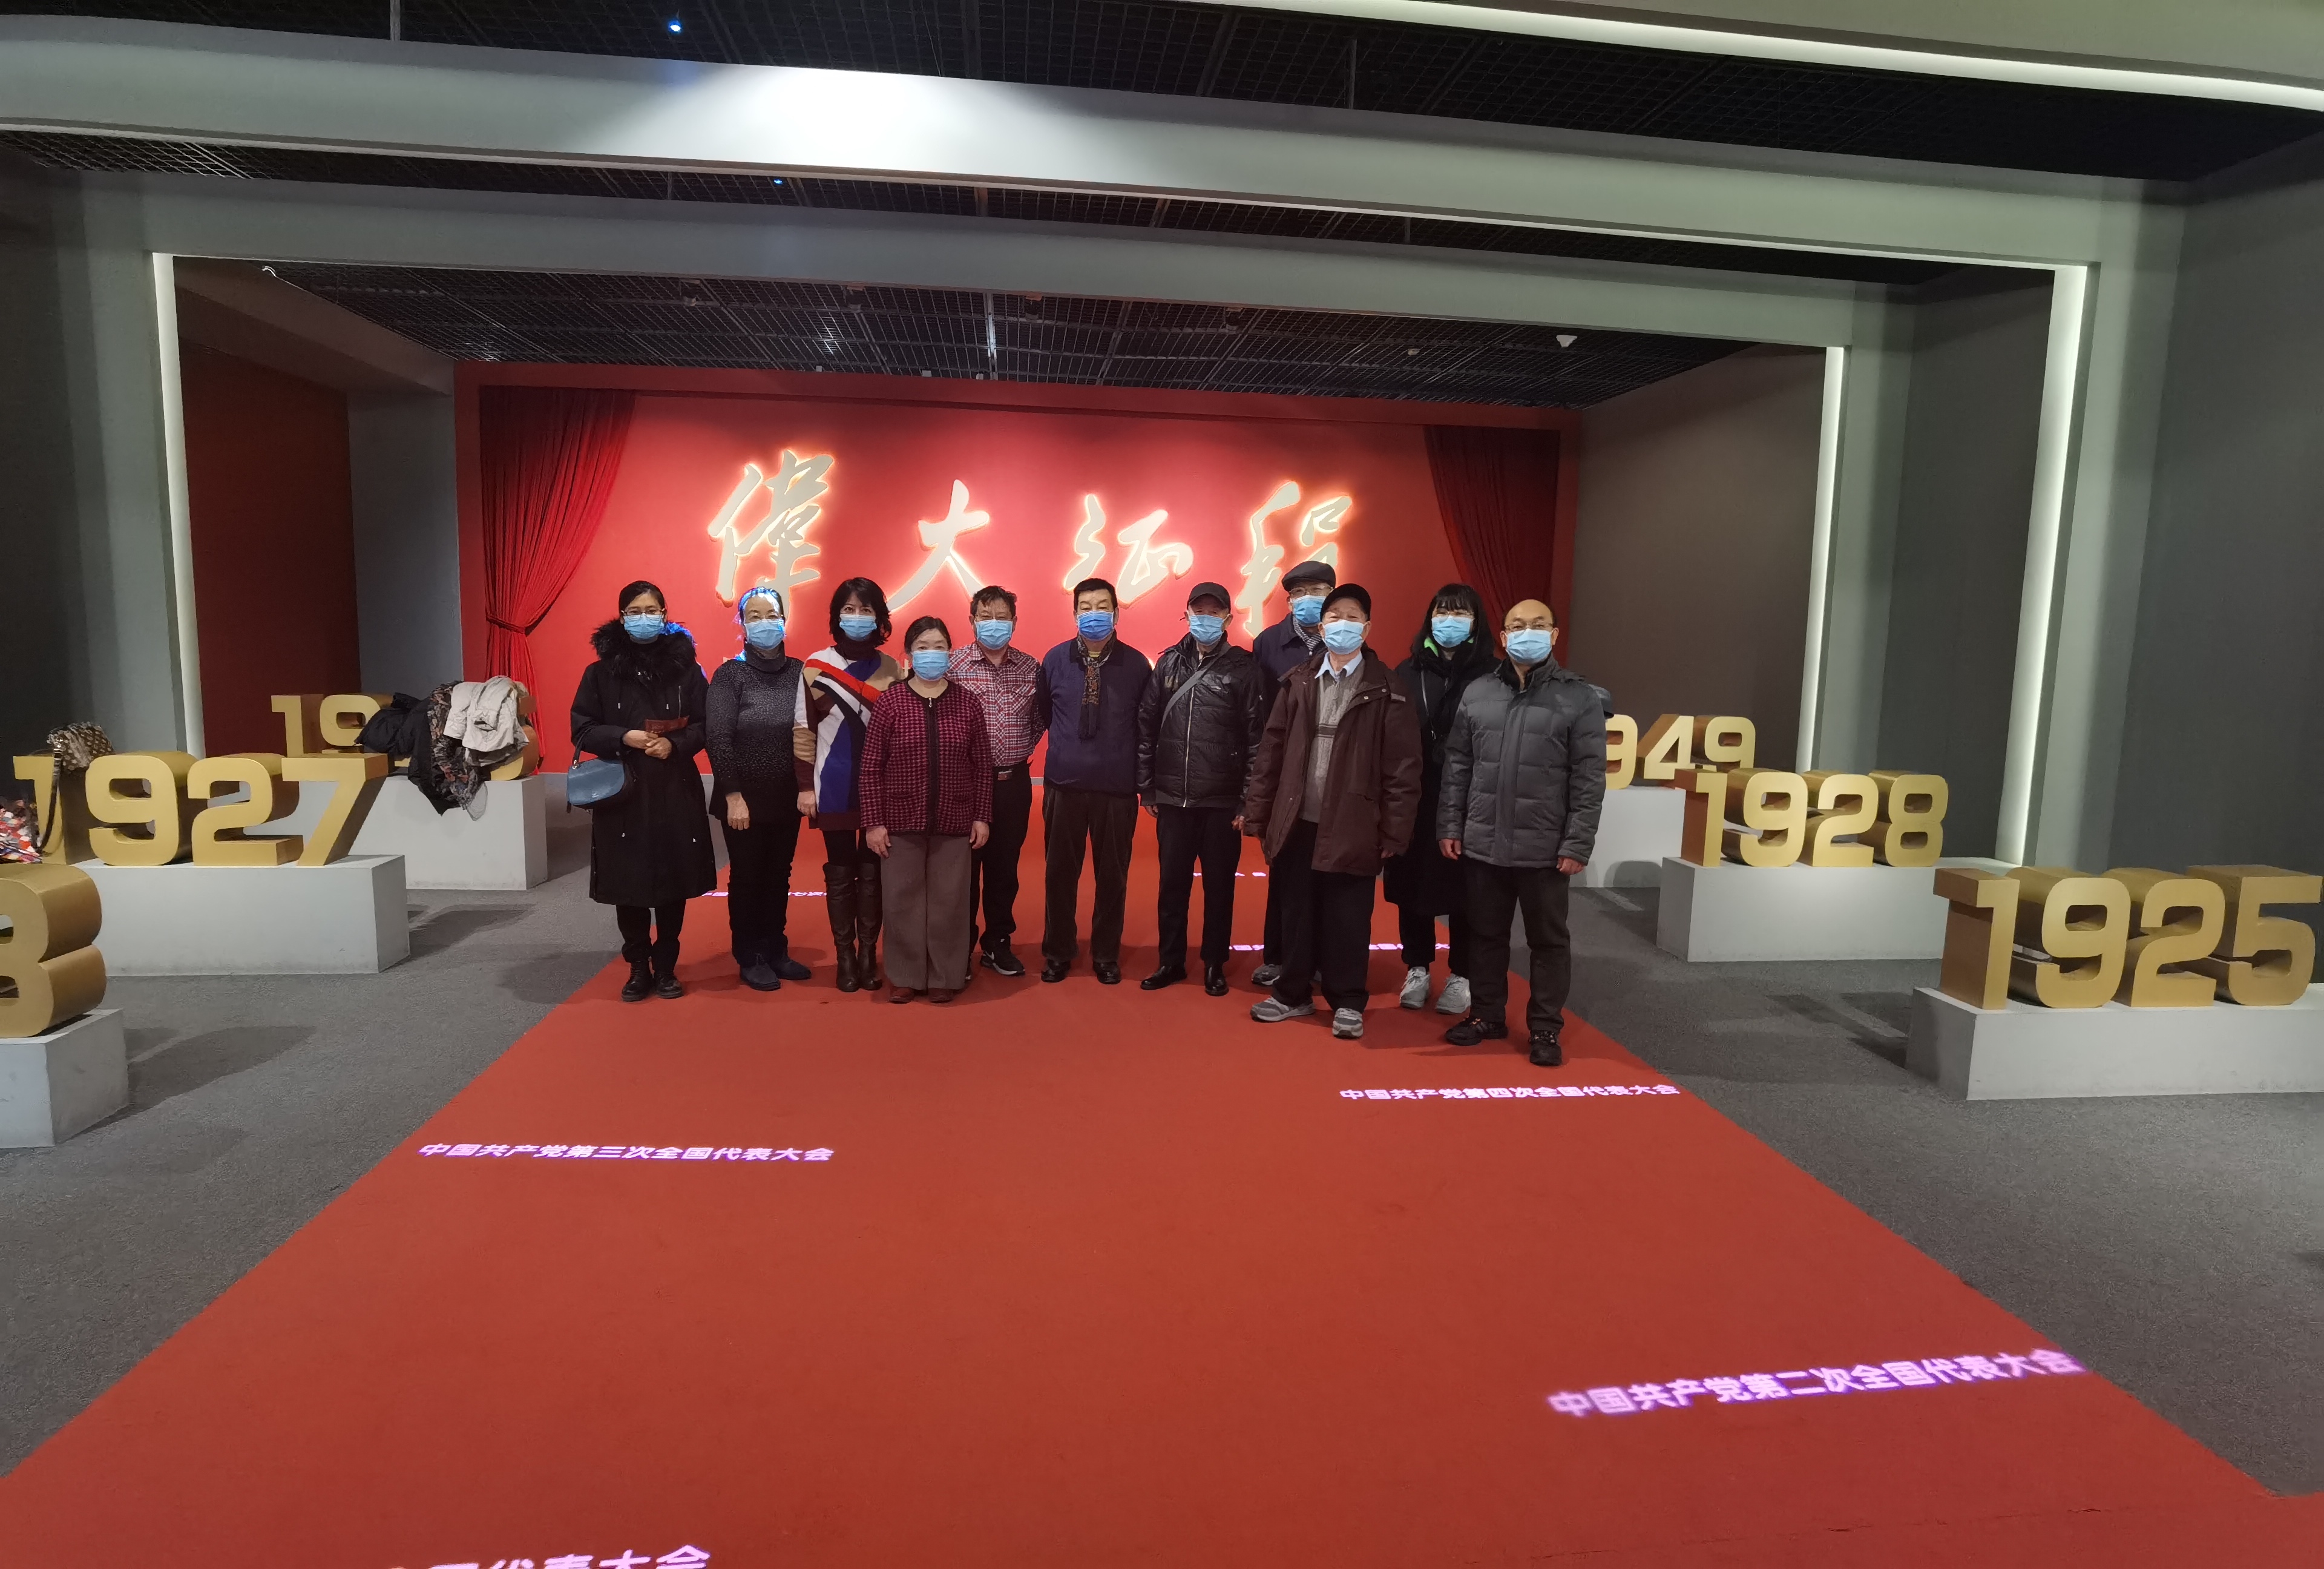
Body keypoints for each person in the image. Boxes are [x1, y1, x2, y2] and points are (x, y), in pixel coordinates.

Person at [1240, 583, 1421, 1040]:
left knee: (1348, 917)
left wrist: (1395, 832)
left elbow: (1403, 769)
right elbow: (1271, 751)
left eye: (1353, 617)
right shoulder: (1299, 681)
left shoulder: (1388, 689)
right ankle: (1292, 994)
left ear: (1367, 628)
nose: (1343, 625)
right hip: (1298, 818)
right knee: (1296, 912)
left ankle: (1348, 1000)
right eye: (1335, 617)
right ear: (1321, 628)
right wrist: (1259, 813)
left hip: (1355, 822)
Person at [1437, 599, 1606, 1067]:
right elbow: (1458, 764)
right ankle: (1487, 1015)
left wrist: (1577, 842)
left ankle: (1545, 1028)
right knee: (1485, 935)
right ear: (1503, 636)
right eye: (1516, 625)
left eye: (1537, 625)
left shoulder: (1579, 698)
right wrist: (1450, 824)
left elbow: (1589, 777)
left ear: (1554, 634)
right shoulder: (1478, 692)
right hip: (1483, 841)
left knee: (1547, 941)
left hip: (1545, 847)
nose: (1525, 632)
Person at [571, 579, 717, 1002]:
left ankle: (666, 966)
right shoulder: (599, 673)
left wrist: (676, 744)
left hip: (675, 785)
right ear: (622, 617)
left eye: (652, 610)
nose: (644, 618)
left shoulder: (687, 670)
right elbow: (582, 729)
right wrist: (624, 737)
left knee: (673, 880)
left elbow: (706, 724)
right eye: (635, 611)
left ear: (665, 615)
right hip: (623, 790)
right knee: (628, 881)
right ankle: (637, 966)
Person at [1135, 581, 1269, 995]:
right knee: (1172, 886)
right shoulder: (1168, 664)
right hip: (1174, 798)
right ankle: (1171, 961)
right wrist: (1148, 787)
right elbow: (1146, 726)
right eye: (1199, 611)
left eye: (1214, 612)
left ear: (1228, 618)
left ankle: (1214, 963)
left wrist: (1247, 800)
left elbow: (1257, 740)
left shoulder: (1244, 669)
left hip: (1222, 801)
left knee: (1219, 886)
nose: (1205, 619)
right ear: (1187, 614)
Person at [859, 617, 994, 1004]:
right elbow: (871, 767)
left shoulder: (967, 703)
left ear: (949, 652)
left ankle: (944, 975)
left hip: (955, 818)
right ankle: (905, 975)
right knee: (902, 900)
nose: (931, 654)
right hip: (900, 819)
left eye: (939, 647)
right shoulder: (891, 702)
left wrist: (982, 815)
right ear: (909, 654)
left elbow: (982, 766)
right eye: (923, 647)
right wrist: (873, 823)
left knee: (951, 902)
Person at [1033, 577, 1152, 985]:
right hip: (1063, 784)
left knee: (1113, 877)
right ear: (1075, 614)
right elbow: (1046, 712)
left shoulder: (1136, 665)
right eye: (1086, 607)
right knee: (1059, 875)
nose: (1094, 614)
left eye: (1103, 606)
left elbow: (1145, 725)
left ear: (1116, 613)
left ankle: (1105, 954)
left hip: (1117, 789)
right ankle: (1058, 952)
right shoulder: (1055, 659)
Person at [1385, 584, 1496, 1018]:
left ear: (1476, 621)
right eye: (1442, 612)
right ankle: (1417, 967)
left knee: (1467, 889)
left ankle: (1462, 974)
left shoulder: (1492, 674)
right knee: (1411, 885)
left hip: (1471, 796)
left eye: (1460, 613)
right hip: (1417, 795)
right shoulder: (1408, 670)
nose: (1450, 620)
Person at [795, 578, 904, 993]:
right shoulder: (815, 666)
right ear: (837, 616)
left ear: (879, 618)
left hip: (881, 788)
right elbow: (803, 729)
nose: (857, 617)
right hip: (833, 783)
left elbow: (900, 734)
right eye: (849, 609)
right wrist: (806, 787)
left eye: (866, 610)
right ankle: (845, 957)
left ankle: (868, 955)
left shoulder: (893, 669)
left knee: (873, 870)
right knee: (840, 871)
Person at [706, 587, 812, 992]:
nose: (764, 623)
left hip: (786, 795)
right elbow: (718, 738)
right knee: (748, 876)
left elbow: (808, 730)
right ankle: (749, 954)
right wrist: (733, 795)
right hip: (742, 800)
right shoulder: (730, 675)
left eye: (772, 615)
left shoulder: (800, 671)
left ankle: (775, 949)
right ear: (742, 624)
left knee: (779, 875)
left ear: (784, 620)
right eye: (755, 616)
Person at [1247, 556, 1337, 988]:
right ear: (1288, 601)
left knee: (1327, 868)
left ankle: (1320, 958)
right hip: (1284, 768)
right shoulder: (1267, 643)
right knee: (1285, 864)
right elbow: (1258, 713)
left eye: (1317, 592)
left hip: (1331, 770)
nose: (1307, 600)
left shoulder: (1344, 640)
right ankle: (1279, 955)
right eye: (1299, 593)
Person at [947, 584, 1043, 978]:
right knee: (964, 869)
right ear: (972, 621)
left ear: (1015, 622)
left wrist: (1014, 753)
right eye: (985, 617)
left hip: (1013, 785)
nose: (994, 624)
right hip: (967, 784)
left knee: (1005, 869)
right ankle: (960, 945)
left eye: (1002, 617)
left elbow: (1039, 721)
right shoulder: (953, 666)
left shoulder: (1031, 668)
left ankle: (997, 942)